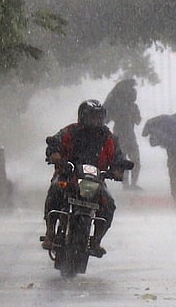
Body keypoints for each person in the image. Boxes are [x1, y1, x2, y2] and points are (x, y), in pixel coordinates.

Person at [42, 99, 128, 257]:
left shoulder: (108, 137)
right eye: (92, 117)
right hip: (68, 175)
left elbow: (118, 156)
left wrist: (118, 169)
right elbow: (55, 142)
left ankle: (96, 240)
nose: (95, 121)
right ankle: (50, 233)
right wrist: (55, 154)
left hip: (95, 180)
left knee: (108, 205)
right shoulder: (70, 131)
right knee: (54, 191)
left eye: (98, 117)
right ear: (82, 117)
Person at [103, 79, 142, 190]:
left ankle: (129, 185)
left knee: (131, 160)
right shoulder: (119, 104)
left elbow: (137, 120)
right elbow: (137, 120)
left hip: (125, 134)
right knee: (131, 160)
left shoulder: (126, 105)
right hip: (123, 134)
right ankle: (128, 185)